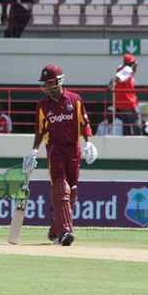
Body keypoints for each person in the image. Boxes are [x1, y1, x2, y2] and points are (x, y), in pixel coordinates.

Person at [22, 64, 97, 247]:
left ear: (59, 81)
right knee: (60, 187)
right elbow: (40, 131)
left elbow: (84, 123)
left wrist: (88, 142)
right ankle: (66, 232)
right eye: (44, 84)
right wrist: (33, 151)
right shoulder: (42, 105)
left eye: (49, 83)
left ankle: (55, 231)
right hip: (54, 149)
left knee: (72, 191)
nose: (46, 87)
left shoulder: (75, 99)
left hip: (73, 148)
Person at [107, 53, 141, 136]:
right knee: (137, 122)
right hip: (129, 102)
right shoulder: (127, 69)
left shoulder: (122, 69)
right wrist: (110, 85)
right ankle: (137, 139)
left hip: (122, 103)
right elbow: (117, 78)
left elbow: (119, 77)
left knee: (126, 124)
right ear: (130, 63)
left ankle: (127, 138)